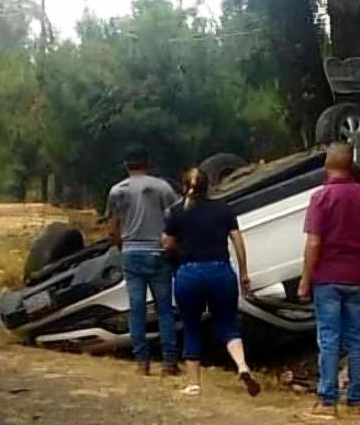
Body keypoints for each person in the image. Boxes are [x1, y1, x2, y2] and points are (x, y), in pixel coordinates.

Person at [297, 143, 360, 419]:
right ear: (352, 165)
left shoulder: (320, 198)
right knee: (356, 339)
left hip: (327, 278)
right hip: (357, 276)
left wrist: (305, 279)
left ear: (327, 165)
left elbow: (314, 243)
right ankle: (355, 400)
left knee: (329, 338)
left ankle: (327, 400)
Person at [163, 168, 260, 397]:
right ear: (208, 187)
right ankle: (242, 365)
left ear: (184, 187)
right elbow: (237, 241)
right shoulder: (223, 208)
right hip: (220, 271)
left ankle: (194, 384)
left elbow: (167, 244)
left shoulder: (176, 212)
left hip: (189, 273)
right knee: (227, 324)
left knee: (191, 327)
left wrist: (176, 251)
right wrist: (244, 272)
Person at [107, 147, 179, 376]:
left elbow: (113, 228)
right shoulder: (162, 187)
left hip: (131, 253)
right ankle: (169, 362)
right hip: (158, 252)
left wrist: (123, 246)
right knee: (164, 309)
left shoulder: (117, 191)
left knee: (136, 309)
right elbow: (175, 218)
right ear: (149, 164)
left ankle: (142, 362)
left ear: (126, 165)